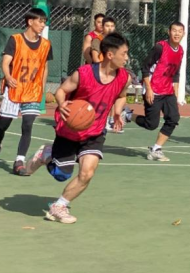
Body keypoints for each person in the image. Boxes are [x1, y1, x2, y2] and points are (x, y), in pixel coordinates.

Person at [24, 33, 132, 224]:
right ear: (110, 55)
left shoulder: (124, 77)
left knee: (87, 173)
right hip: (70, 130)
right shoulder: (84, 74)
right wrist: (62, 103)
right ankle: (46, 154)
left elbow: (122, 96)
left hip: (95, 132)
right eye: (124, 53)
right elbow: (61, 91)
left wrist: (117, 112)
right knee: (61, 174)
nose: (126, 58)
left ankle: (59, 206)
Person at [0, 8, 53, 176]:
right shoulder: (15, 40)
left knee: (27, 124)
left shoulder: (46, 45)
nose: (43, 25)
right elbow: (5, 62)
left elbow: (44, 67)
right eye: (40, 21)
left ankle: (19, 161)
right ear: (30, 22)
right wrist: (8, 77)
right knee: (3, 125)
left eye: (44, 22)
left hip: (33, 90)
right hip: (15, 88)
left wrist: (42, 88)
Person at [134, 22, 186, 161]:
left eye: (180, 31)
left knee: (173, 118)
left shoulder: (180, 50)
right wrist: (148, 89)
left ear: (183, 34)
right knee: (151, 124)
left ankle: (156, 149)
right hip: (154, 89)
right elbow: (145, 67)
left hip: (168, 91)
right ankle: (128, 115)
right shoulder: (160, 47)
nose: (177, 33)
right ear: (169, 32)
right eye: (174, 30)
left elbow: (176, 73)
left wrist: (175, 94)